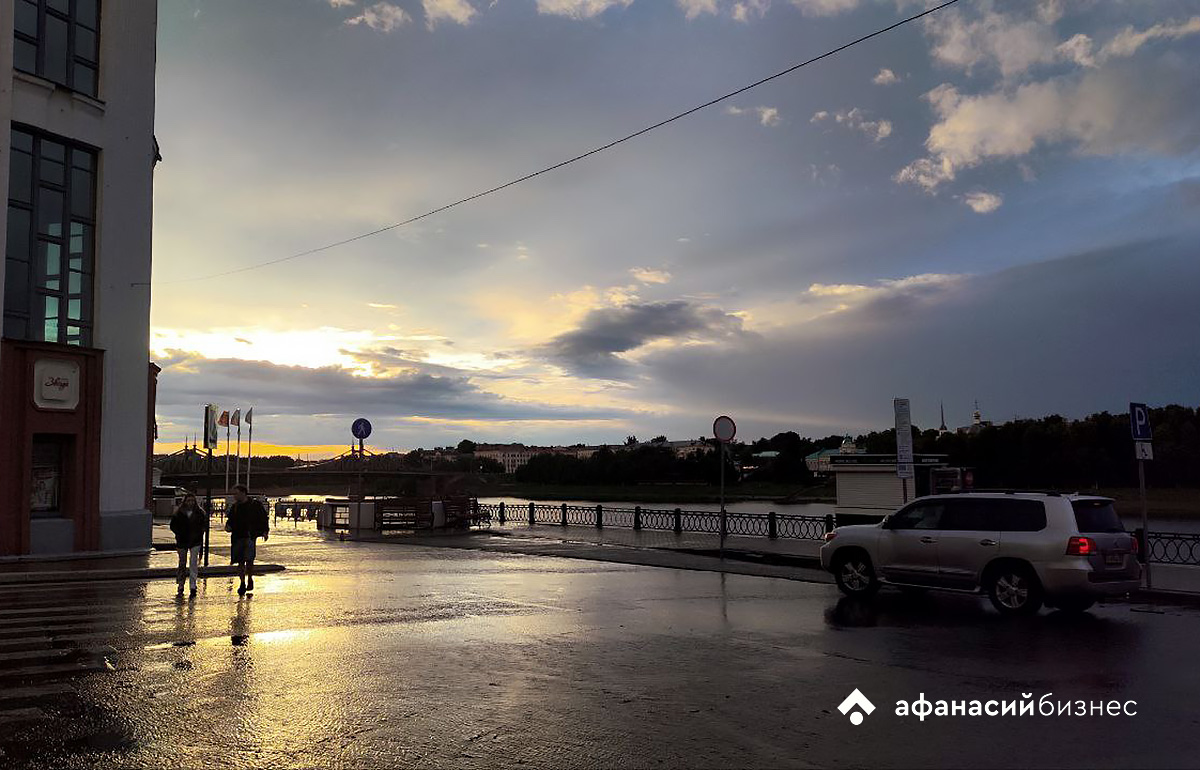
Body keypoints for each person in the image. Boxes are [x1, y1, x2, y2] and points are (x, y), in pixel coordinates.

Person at [225, 484, 269, 595]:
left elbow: (263, 518)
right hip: (237, 536)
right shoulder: (235, 507)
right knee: (240, 561)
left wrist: (265, 531)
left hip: (250, 536)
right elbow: (230, 520)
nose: (234, 496)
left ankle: (249, 578)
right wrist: (228, 526)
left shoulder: (255, 505)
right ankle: (242, 582)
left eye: (236, 494)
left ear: (243, 493)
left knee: (249, 560)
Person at [169, 492, 208, 597]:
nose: (190, 503)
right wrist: (179, 533)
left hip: (195, 541)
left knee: (193, 562)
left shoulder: (200, 513)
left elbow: (203, 525)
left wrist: (199, 534)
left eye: (192, 501)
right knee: (182, 562)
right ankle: (181, 584)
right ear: (185, 502)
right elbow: (173, 525)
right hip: (182, 541)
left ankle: (193, 585)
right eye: (188, 500)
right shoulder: (179, 513)